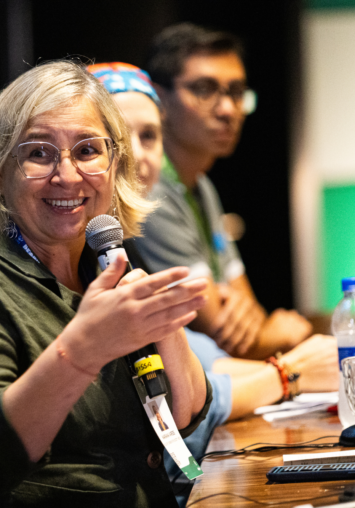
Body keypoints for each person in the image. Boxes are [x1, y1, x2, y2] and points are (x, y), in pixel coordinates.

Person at [0, 60, 211, 508]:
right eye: (39, 153)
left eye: (87, 150)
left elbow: (183, 416)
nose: (67, 175)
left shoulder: (101, 260)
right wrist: (82, 351)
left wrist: (166, 328)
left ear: (115, 163)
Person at [89, 62, 338, 504]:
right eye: (116, 141)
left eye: (149, 137)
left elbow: (210, 354)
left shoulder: (172, 209)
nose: (138, 156)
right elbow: (206, 365)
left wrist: (287, 363)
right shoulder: (96, 255)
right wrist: (289, 372)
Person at [137, 23, 314, 360]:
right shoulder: (149, 189)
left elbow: (247, 308)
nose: (228, 110)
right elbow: (225, 333)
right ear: (158, 99)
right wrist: (276, 334)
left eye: (236, 91)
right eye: (205, 90)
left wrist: (255, 325)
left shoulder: (202, 185)